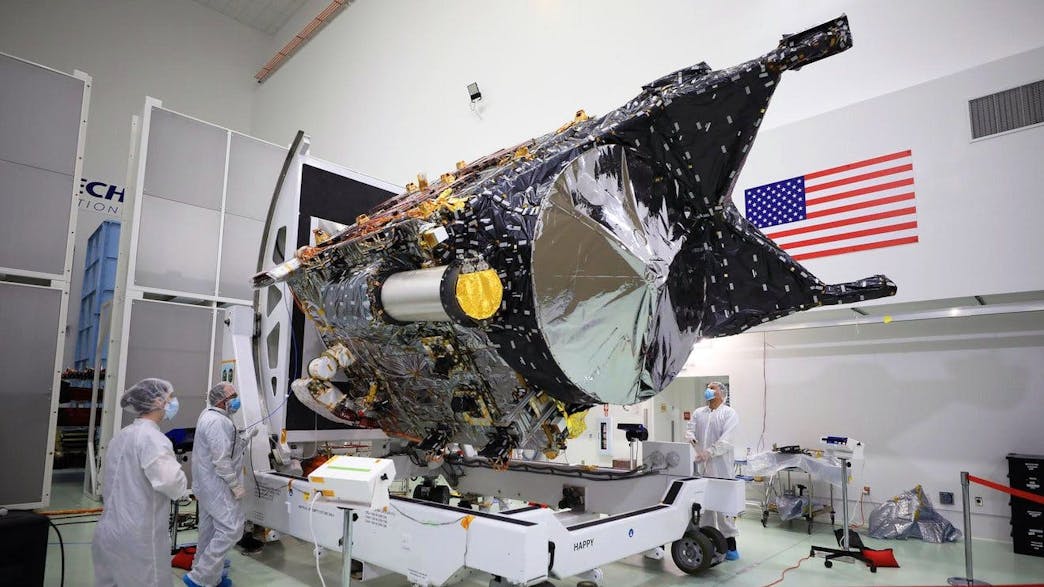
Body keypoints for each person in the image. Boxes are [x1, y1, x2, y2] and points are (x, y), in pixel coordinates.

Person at [92, 378, 189, 587]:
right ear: (158, 401)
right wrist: (182, 480)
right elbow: (173, 483)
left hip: (109, 531)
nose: (173, 402)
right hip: (139, 538)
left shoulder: (122, 435)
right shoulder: (153, 438)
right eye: (170, 398)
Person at [184, 383, 250, 587]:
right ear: (223, 400)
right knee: (232, 529)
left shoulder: (212, 416)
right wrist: (235, 485)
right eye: (234, 395)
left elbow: (227, 449)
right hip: (217, 486)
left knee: (210, 531)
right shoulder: (217, 421)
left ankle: (210, 575)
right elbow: (221, 461)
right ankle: (200, 578)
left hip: (207, 485)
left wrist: (244, 439)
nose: (237, 399)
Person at [685, 380, 741, 560]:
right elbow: (689, 430)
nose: (708, 390)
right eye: (707, 387)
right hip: (702, 468)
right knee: (705, 506)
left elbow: (727, 440)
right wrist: (691, 438)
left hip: (721, 469)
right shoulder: (699, 413)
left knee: (724, 508)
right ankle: (709, 542)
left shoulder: (729, 413)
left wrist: (709, 452)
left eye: (712, 388)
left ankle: (730, 544)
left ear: (721, 393)